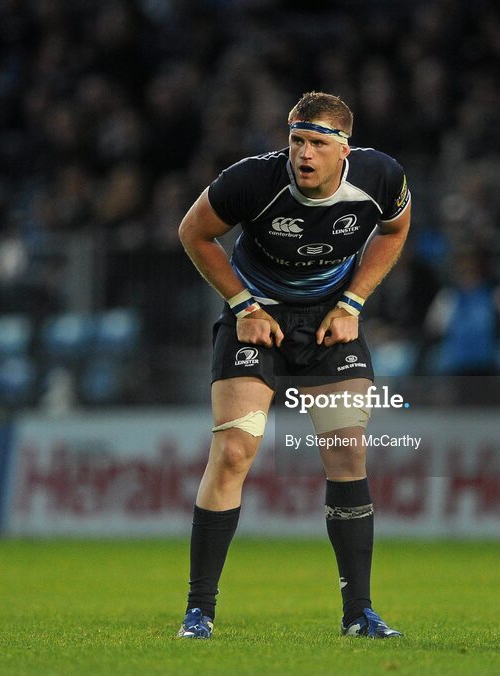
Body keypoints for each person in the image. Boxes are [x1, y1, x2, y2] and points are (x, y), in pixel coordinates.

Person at [175, 92, 411, 639]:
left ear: (344, 151)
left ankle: (359, 615)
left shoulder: (381, 178)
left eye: (318, 144)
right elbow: (194, 233)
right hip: (257, 321)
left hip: (331, 323)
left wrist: (353, 303)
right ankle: (199, 612)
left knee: (347, 451)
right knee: (235, 449)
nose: (304, 154)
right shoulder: (252, 181)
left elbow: (394, 232)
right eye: (297, 141)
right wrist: (244, 306)